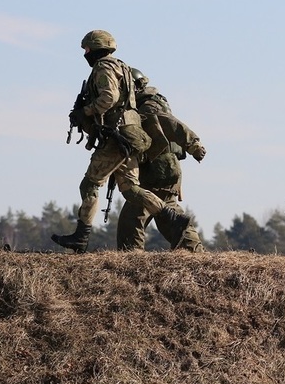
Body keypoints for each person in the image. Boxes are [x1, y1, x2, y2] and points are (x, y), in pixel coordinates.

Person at [51, 30, 191, 253]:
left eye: (87, 49)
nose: (85, 54)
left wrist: (86, 111)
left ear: (95, 48)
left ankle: (81, 236)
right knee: (131, 189)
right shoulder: (123, 67)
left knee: (89, 185)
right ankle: (173, 219)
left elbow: (109, 97)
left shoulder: (103, 67)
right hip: (131, 136)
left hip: (117, 137)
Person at [117, 68, 207, 252]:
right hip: (163, 167)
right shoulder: (143, 104)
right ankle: (194, 252)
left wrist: (193, 145)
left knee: (133, 215)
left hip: (159, 169)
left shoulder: (148, 106)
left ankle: (130, 258)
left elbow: (170, 123)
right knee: (168, 213)